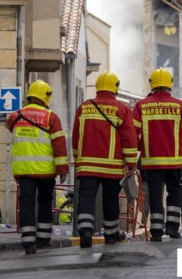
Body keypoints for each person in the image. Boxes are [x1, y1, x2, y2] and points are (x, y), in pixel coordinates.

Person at [72, 71, 138, 248]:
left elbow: (76, 136)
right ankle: (111, 235)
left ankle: (85, 232)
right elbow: (129, 139)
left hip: (87, 166)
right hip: (111, 167)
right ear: (115, 88)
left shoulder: (84, 107)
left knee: (86, 197)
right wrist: (131, 163)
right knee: (111, 200)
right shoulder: (122, 109)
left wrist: (77, 159)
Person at [5, 80, 68, 255]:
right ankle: (44, 239)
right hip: (45, 170)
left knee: (26, 203)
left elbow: (8, 126)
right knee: (45, 202)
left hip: (24, 169)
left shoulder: (16, 116)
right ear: (46, 97)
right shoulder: (51, 117)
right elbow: (59, 145)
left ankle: (28, 242)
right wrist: (62, 170)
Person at [133, 68, 182, 241]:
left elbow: (132, 132)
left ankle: (156, 232)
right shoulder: (179, 105)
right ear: (170, 84)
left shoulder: (141, 105)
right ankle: (173, 228)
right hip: (174, 161)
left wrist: (141, 145)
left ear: (151, 84)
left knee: (155, 195)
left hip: (151, 160)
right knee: (174, 191)